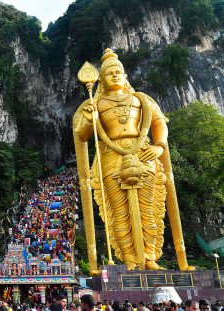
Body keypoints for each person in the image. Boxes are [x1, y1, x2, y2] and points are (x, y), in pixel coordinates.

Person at [73, 48, 193, 272]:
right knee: (119, 211)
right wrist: (90, 119)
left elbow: (159, 124)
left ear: (125, 76)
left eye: (119, 72)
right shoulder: (96, 104)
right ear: (102, 80)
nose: (115, 75)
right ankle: (129, 259)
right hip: (110, 156)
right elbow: (82, 135)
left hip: (143, 153)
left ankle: (150, 257)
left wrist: (158, 146)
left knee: (148, 208)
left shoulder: (141, 100)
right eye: (110, 73)